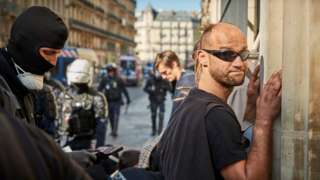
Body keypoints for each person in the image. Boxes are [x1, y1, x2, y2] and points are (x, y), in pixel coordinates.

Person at [158, 23, 282, 180]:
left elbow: (224, 147)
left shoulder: (191, 102)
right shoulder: (215, 114)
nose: (239, 63)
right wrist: (264, 120)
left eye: (243, 54)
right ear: (203, 58)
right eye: (226, 54)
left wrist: (251, 106)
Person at [0, 6, 93, 179]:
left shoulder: (24, 86)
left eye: (57, 54)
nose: (53, 62)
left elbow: (28, 149)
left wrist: (65, 159)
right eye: (49, 53)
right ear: (24, 46)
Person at [65, 59, 108, 150]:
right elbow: (101, 127)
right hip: (75, 143)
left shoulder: (62, 95)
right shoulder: (97, 97)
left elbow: (101, 127)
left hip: (81, 143)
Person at [98, 63, 131, 137]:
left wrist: (128, 98)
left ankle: (114, 131)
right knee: (111, 117)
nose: (111, 72)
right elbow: (99, 89)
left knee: (116, 116)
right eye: (109, 71)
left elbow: (124, 89)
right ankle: (113, 129)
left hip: (117, 101)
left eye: (112, 71)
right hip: (108, 101)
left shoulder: (119, 79)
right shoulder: (104, 79)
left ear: (114, 71)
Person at [144, 70, 171, 136]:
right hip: (153, 100)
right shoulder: (150, 79)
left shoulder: (164, 80)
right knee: (153, 115)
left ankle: (160, 131)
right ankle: (153, 130)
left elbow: (170, 88)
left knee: (161, 115)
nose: (158, 74)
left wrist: (164, 87)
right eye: (157, 72)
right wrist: (150, 89)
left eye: (159, 72)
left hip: (161, 100)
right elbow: (145, 88)